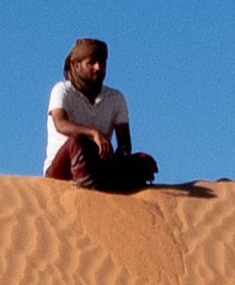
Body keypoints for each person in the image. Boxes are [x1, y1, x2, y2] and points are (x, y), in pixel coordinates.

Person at [45, 38, 159, 192]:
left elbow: (124, 143)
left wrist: (118, 157)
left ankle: (107, 182)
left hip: (100, 164)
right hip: (63, 169)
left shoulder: (116, 98)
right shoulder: (62, 90)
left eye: (102, 63)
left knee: (143, 161)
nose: (98, 68)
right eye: (91, 63)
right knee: (77, 143)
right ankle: (89, 188)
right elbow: (60, 124)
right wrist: (93, 133)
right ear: (76, 65)